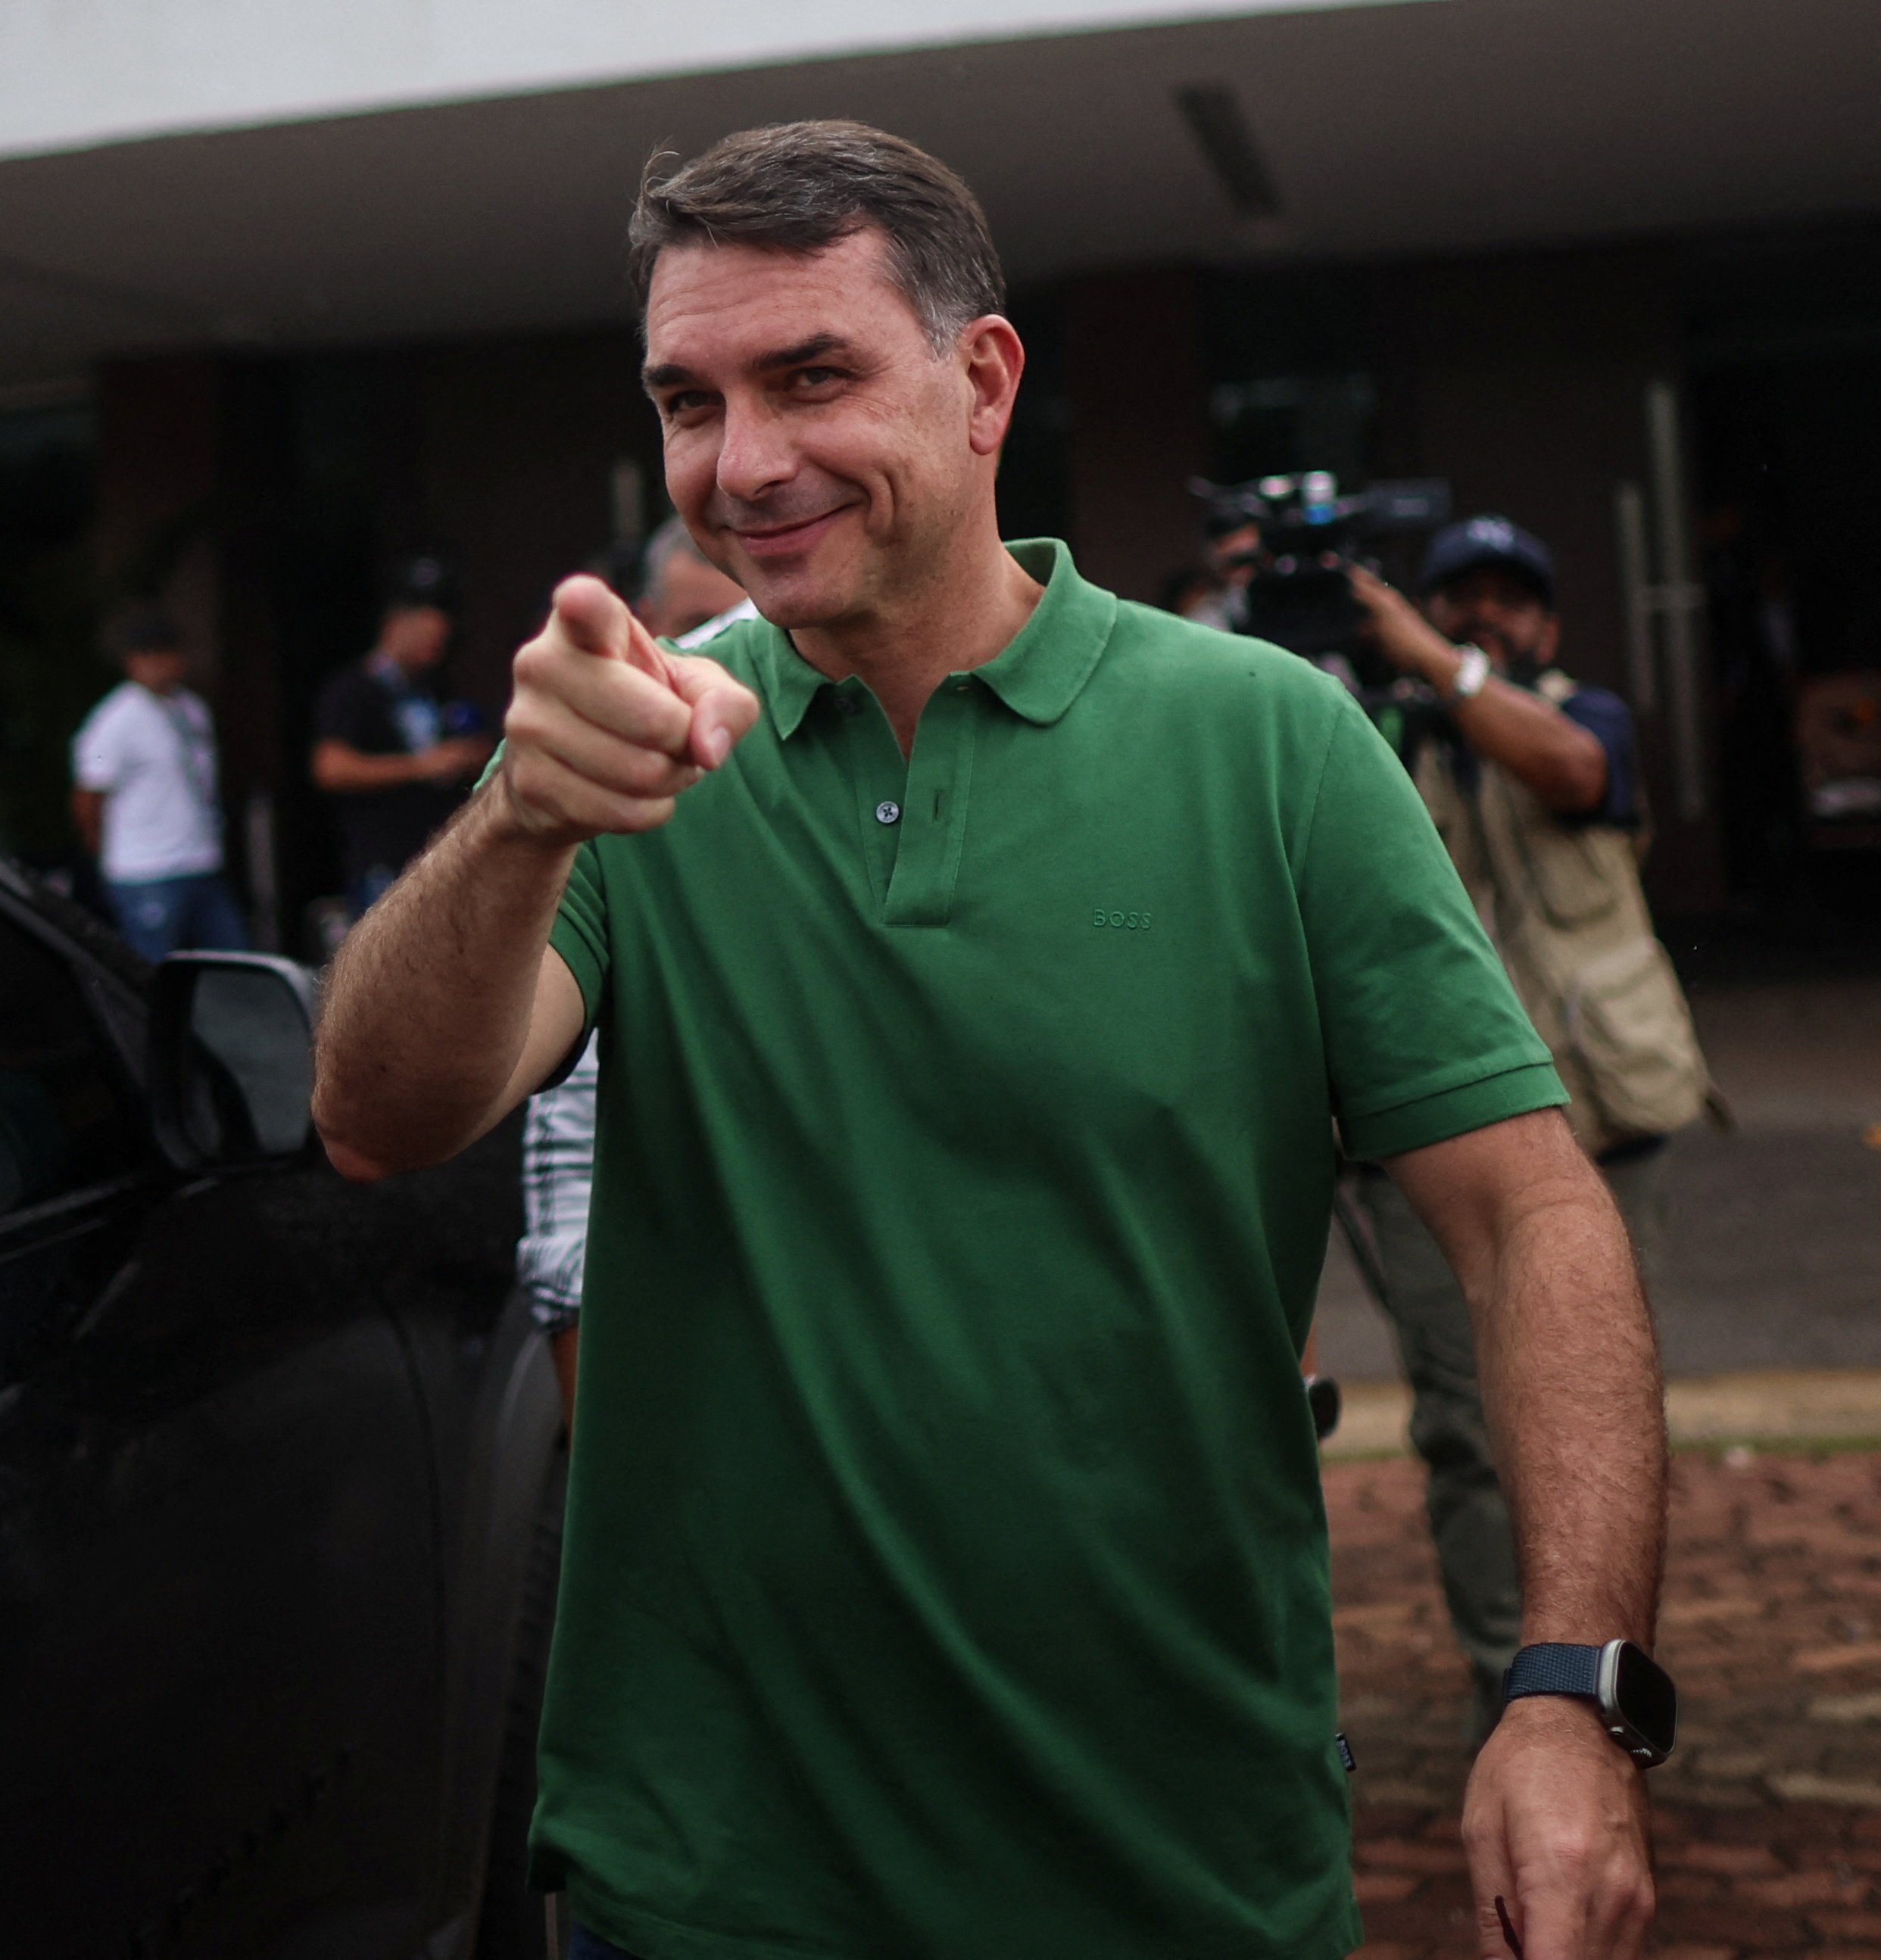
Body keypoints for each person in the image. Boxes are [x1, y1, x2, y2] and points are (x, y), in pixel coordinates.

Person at [314, 120, 1661, 1960]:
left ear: (983, 382)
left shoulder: (1270, 741)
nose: (742, 461)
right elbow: (379, 1116)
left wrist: (1572, 1687)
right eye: (688, 401)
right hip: (707, 1883)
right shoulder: (632, 746)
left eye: (810, 376)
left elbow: (1528, 1217)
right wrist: (516, 821)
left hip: (1176, 1869)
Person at [1348, 516, 1711, 1719]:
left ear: (1548, 625)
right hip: (1430, 1139)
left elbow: (1573, 773)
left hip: (1608, 1117)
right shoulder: (1371, 738)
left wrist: (1436, 661)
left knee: (1601, 1411)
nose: (1483, 616)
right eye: (1460, 597)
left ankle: (1599, 1682)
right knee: (1464, 1426)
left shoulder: (1584, 715)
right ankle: (1506, 1690)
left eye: (1510, 599)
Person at [519, 519, 751, 1428]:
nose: (724, 663)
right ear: (649, 625)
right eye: (699, 630)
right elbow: (569, 1163)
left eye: (749, 626)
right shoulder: (603, 793)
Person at [310, 556, 495, 908]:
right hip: (383, 868)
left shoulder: (435, 690)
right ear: (396, 623)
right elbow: (331, 768)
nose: (437, 643)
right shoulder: (353, 689)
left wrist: (468, 759)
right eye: (427, 630)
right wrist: (422, 766)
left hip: (441, 862)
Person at [70, 610, 245, 961]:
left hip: (201, 860)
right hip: (147, 870)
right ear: (132, 662)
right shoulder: (115, 720)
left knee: (233, 961)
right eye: (150, 655)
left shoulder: (191, 708)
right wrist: (103, 851)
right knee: (153, 966)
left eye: (168, 653)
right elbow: (90, 791)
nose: (162, 664)